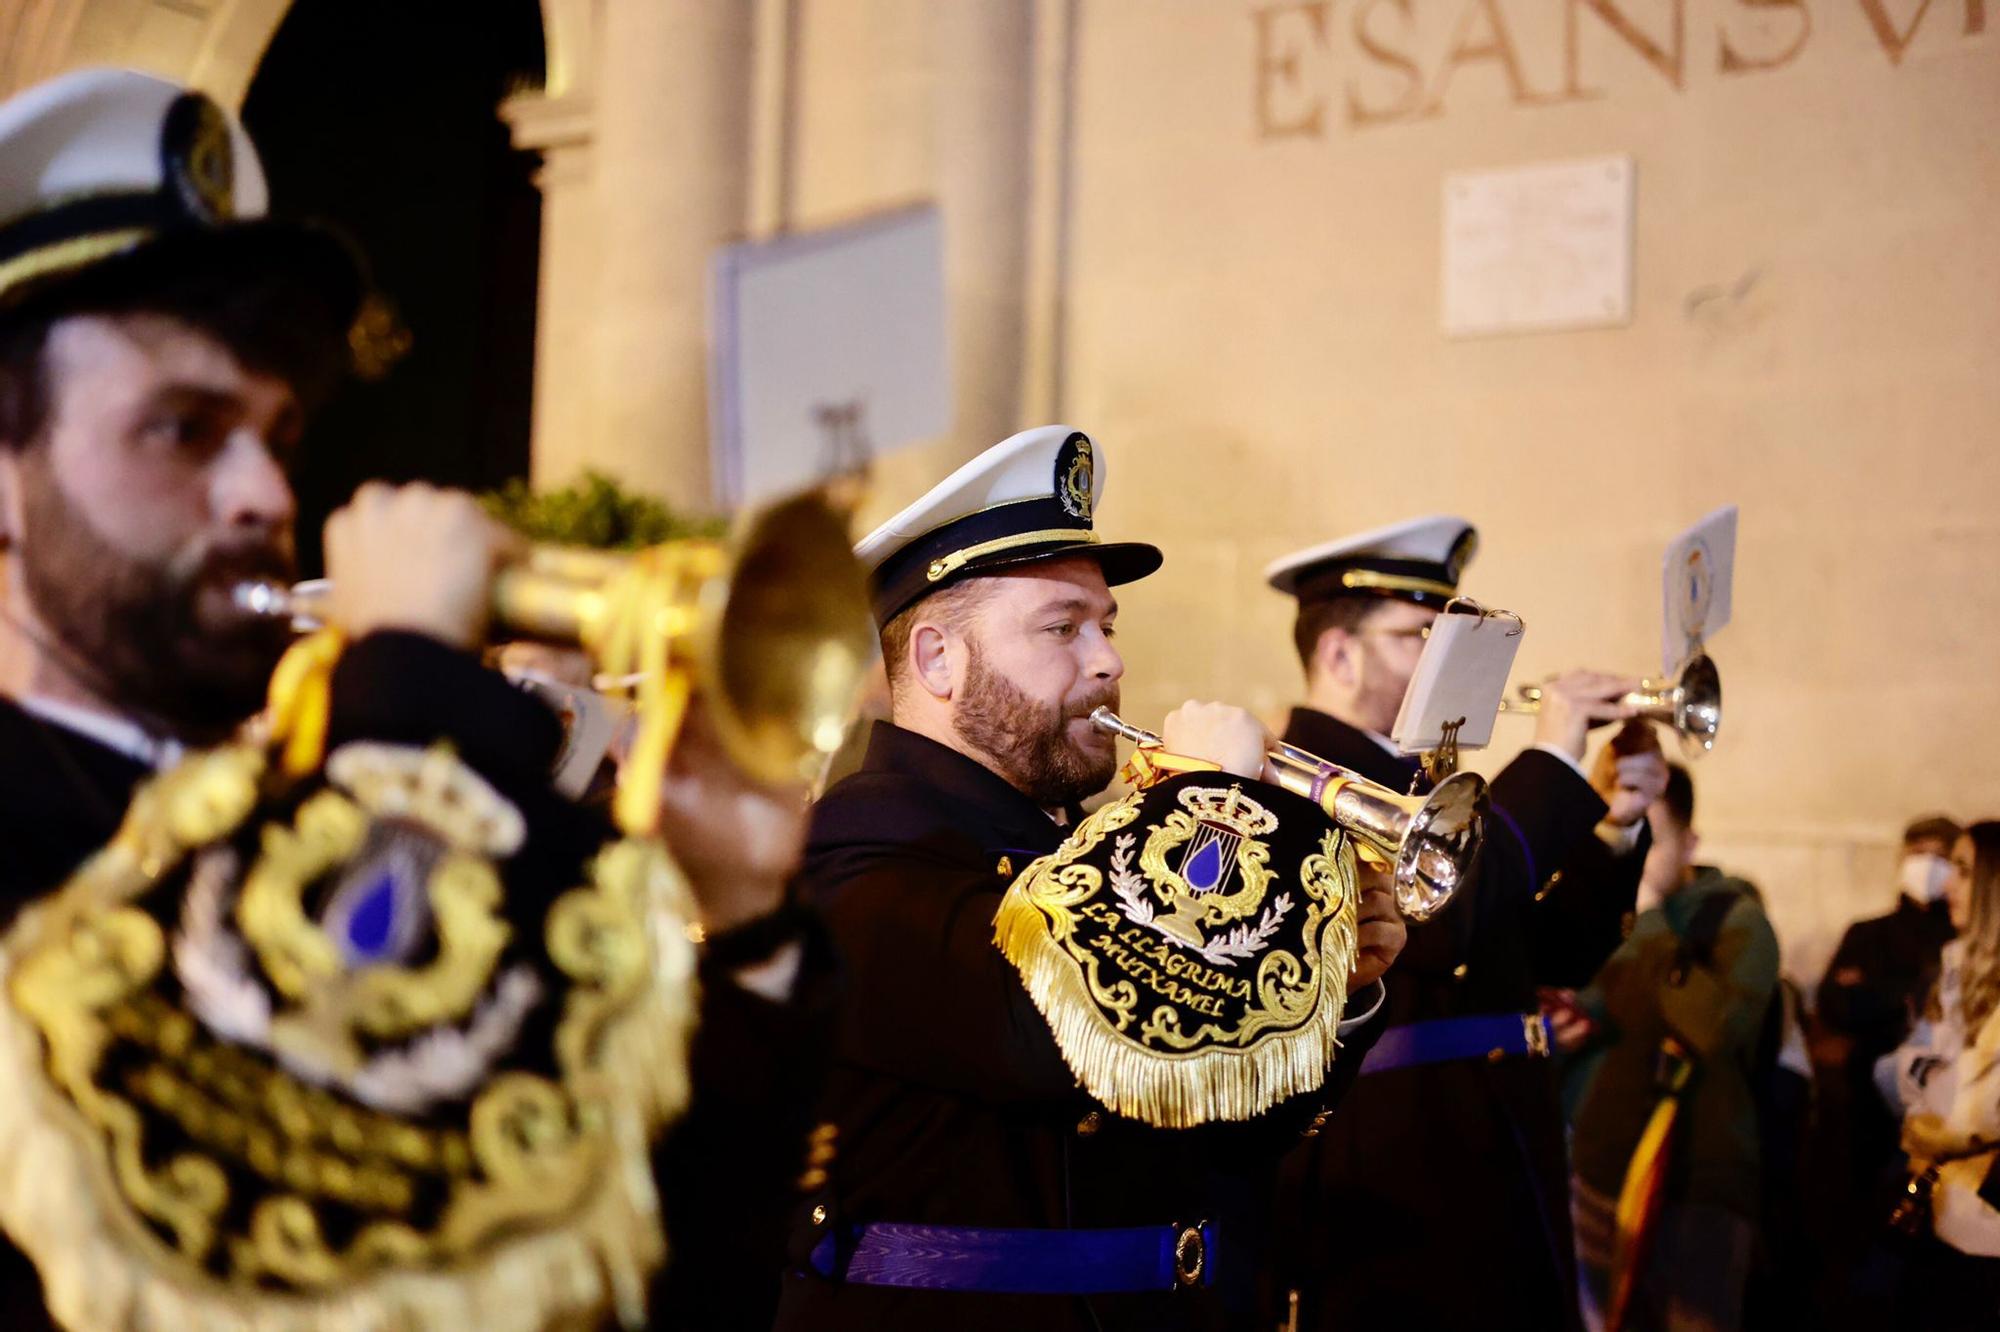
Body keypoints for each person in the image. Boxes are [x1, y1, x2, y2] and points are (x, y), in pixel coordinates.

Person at [0, 68, 824, 1331]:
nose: (264, 498)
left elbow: (628, 1273)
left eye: (275, 438)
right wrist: (407, 708)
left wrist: (741, 923)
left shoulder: (305, 796)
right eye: (182, 431)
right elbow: (262, 1228)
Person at [776, 425, 1404, 1332]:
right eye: (1061, 629)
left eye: (1106, 626)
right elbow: (1064, 1035)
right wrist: (1216, 808)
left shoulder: (1080, 849)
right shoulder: (858, 852)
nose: (1108, 660)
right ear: (937, 660)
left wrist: (1338, 994)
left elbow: (1220, 1113)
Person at [1262, 515, 1667, 1331]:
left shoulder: (1422, 784)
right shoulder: (1294, 781)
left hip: (1496, 1138)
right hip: (1394, 1170)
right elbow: (1437, 924)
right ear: (1339, 654)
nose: (1451, 665)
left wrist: (1614, 825)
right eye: (1420, 636)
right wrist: (1550, 764)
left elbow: (1553, 952)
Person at [1563, 762, 1780, 1332]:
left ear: (1690, 843)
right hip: (1598, 1167)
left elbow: (1713, 1029)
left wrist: (1654, 916)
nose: (1632, 855)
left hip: (1695, 1183)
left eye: (1649, 839)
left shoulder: (1738, 921)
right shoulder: (1606, 913)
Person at [1810, 814, 1963, 1312]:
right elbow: (1835, 1003)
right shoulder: (1868, 933)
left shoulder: (1958, 943)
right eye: (1918, 851)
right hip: (1861, 1117)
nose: (1928, 866)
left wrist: (1877, 996)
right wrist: (1903, 1002)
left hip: (1934, 1125)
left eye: (1942, 855)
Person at [1879, 822, 2000, 1328]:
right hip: (1942, 1215)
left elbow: (1970, 1114)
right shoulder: (1953, 971)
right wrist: (1932, 1081)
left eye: (1965, 871)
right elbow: (1897, 1075)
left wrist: (1925, 1105)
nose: (1947, 884)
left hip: (1986, 1233)